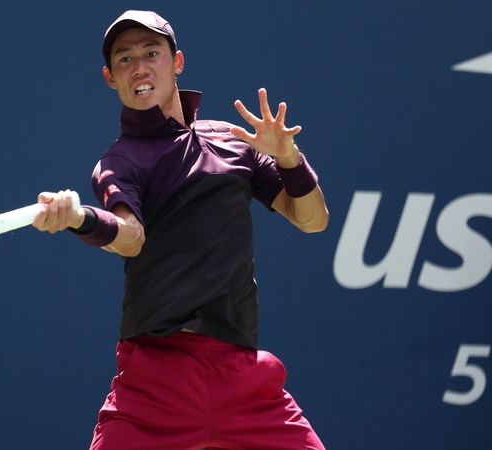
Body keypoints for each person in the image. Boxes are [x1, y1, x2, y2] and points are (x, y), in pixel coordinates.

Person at [33, 10, 329, 450]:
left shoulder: (234, 141)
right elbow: (130, 237)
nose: (140, 67)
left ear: (178, 62)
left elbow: (312, 220)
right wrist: (81, 219)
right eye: (124, 59)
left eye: (152, 53)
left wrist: (289, 158)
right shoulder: (121, 162)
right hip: (155, 381)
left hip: (246, 378)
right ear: (110, 78)